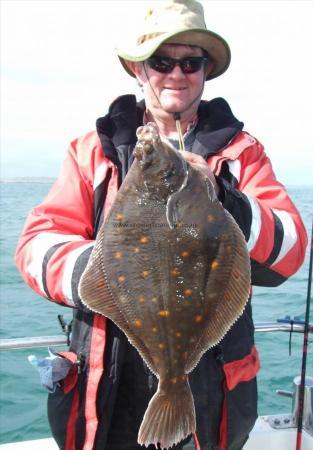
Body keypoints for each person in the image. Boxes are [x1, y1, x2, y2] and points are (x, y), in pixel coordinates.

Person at [15, 1, 308, 449]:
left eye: (191, 62)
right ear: (137, 68)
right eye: (161, 61)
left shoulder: (242, 153)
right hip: (107, 388)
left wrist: (225, 199)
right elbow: (36, 245)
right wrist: (109, 274)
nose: (177, 73)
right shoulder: (92, 150)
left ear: (206, 70)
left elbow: (290, 253)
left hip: (211, 394)